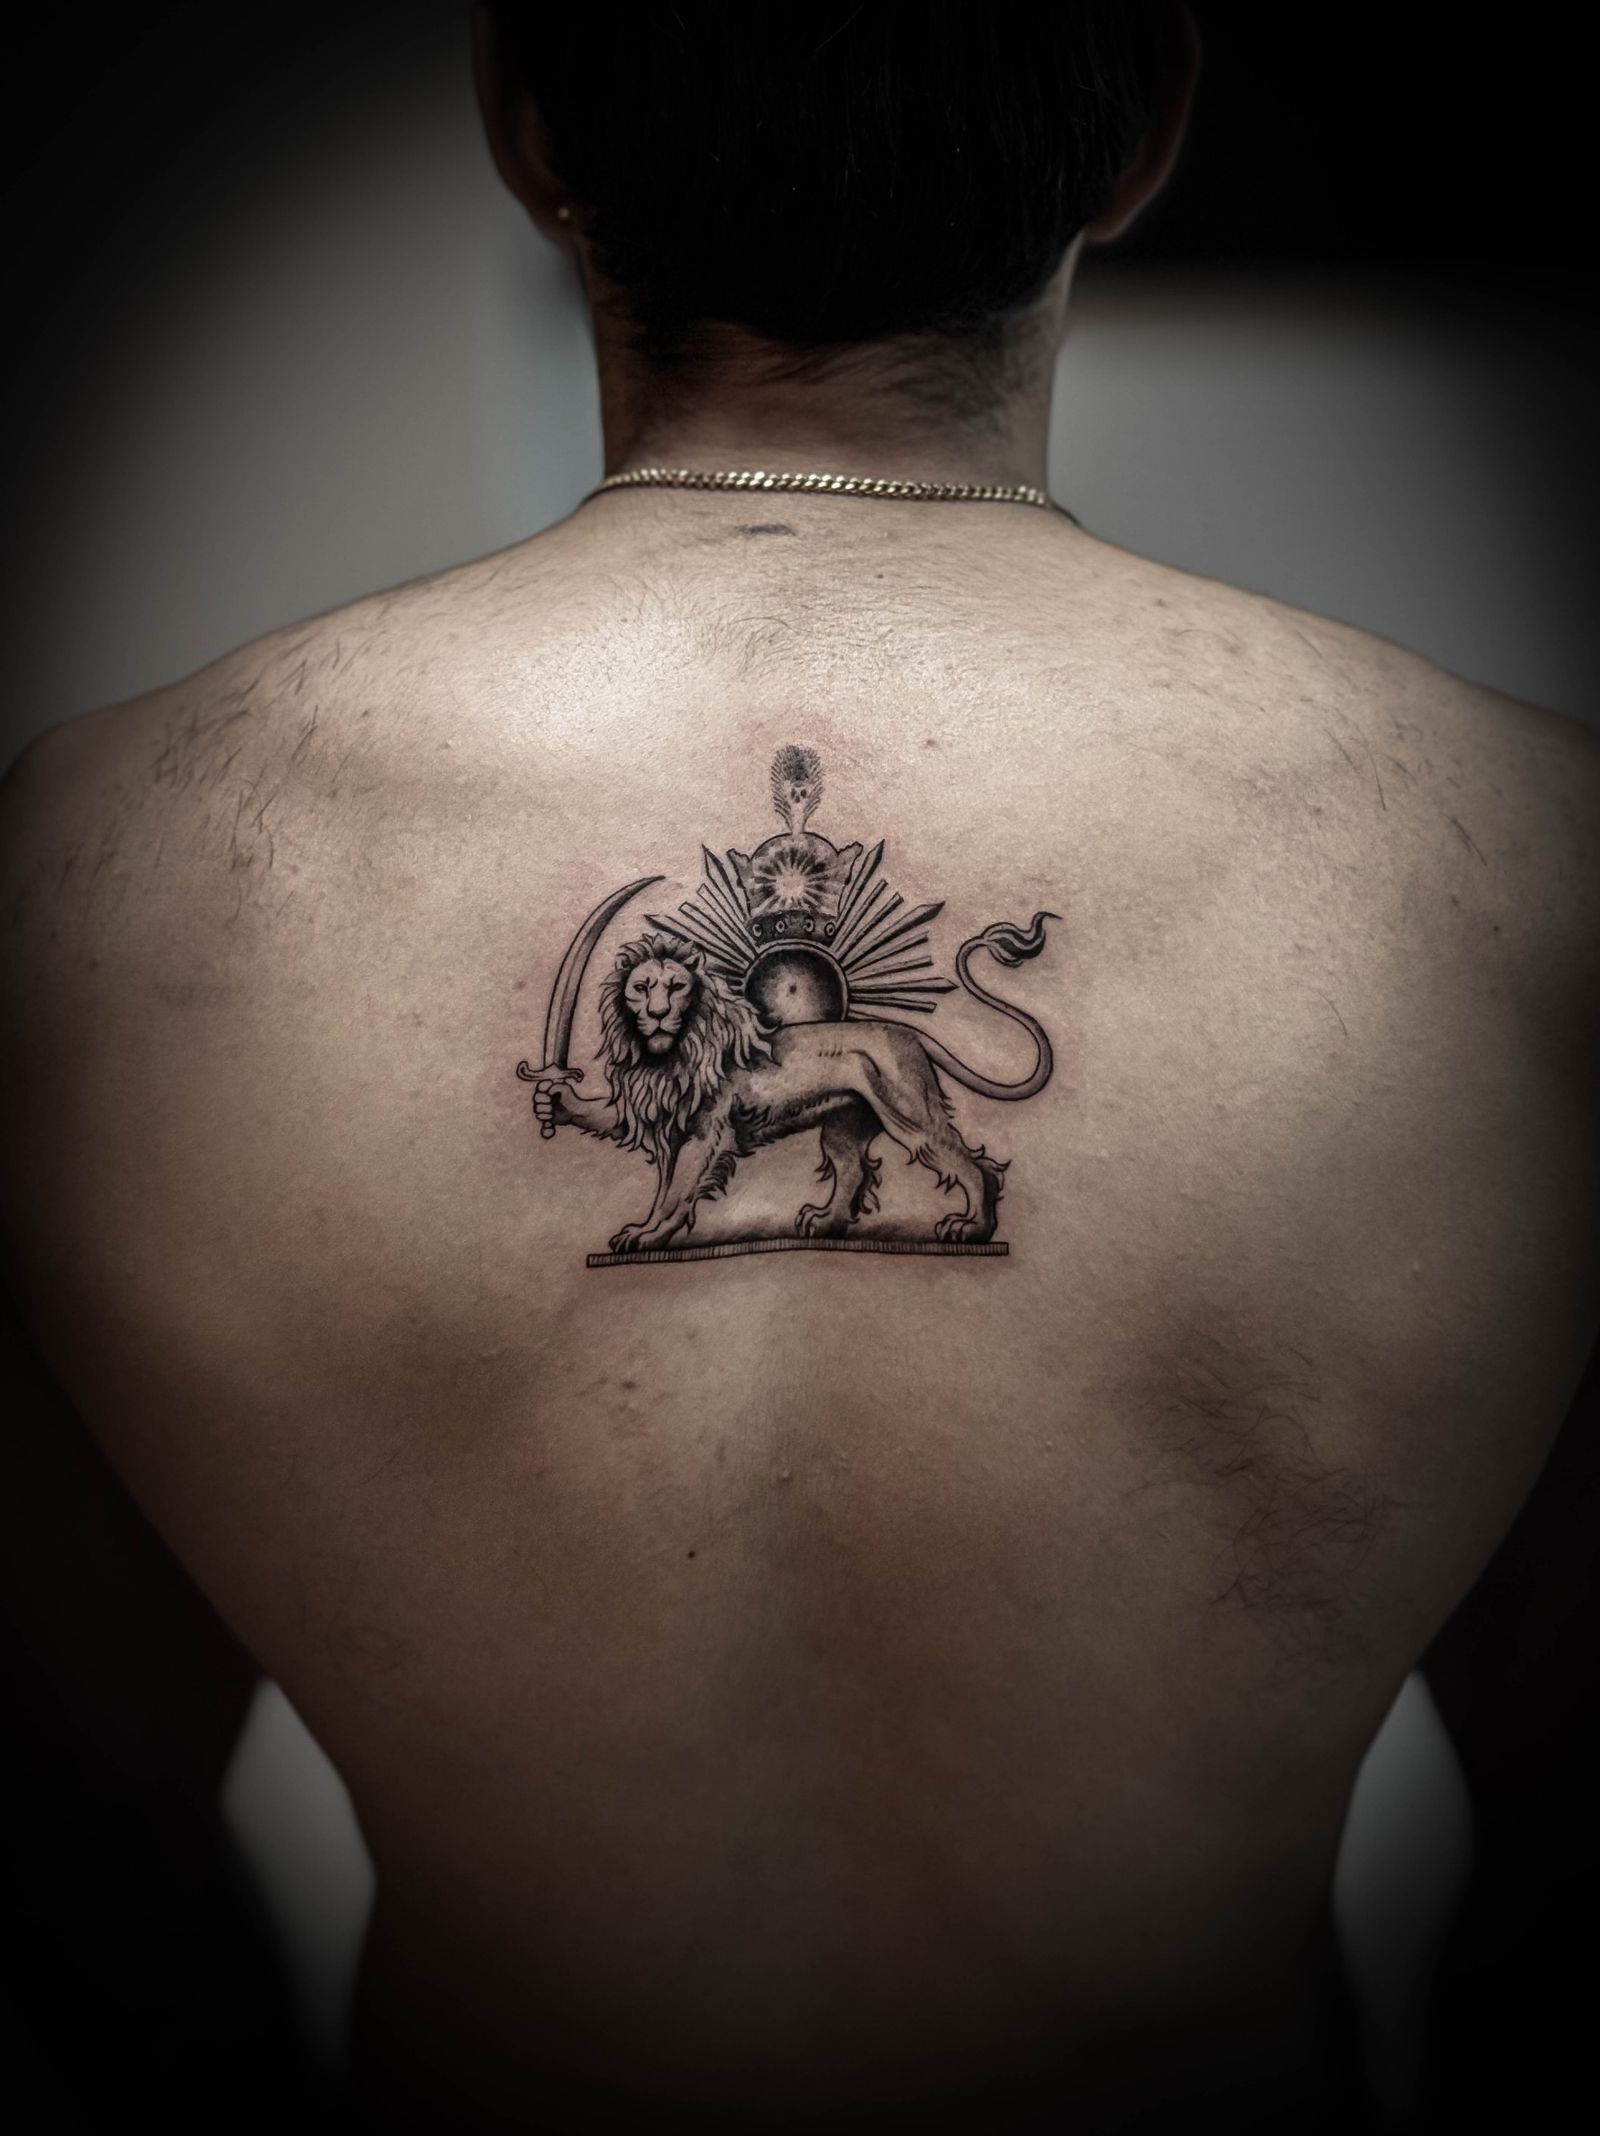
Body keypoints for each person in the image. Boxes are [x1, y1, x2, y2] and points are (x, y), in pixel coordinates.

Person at [1, 4, 1596, 2129]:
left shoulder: (87, 891)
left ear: (518, 118)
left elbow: (80, 1872)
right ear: (1147, 126)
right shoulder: (1529, 883)